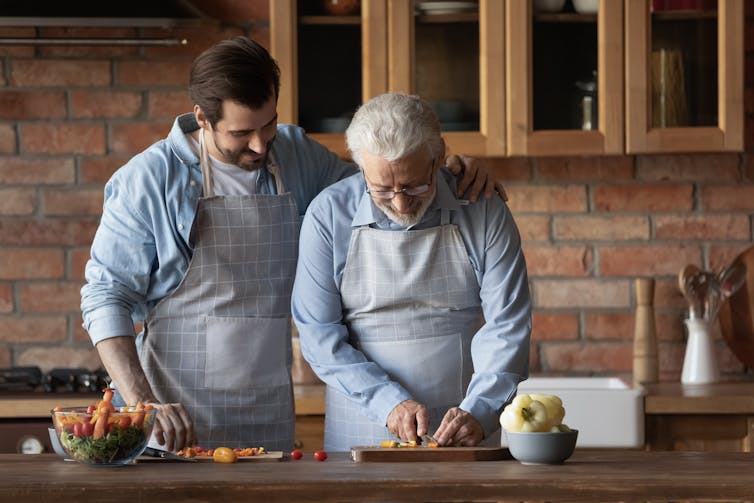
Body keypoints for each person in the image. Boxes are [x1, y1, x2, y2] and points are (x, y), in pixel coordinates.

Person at [80, 37, 503, 453]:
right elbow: (104, 297)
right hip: (171, 413)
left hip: (267, 409)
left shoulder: (296, 154)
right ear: (202, 119)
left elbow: (378, 190)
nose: (261, 145)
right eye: (242, 133)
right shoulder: (148, 181)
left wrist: (446, 167)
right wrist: (145, 402)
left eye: (268, 124)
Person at [292, 93, 531, 451]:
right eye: (382, 191)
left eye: (415, 185)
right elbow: (318, 333)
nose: (401, 203)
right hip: (361, 426)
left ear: (438, 158)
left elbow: (507, 324)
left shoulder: (482, 210)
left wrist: (480, 410)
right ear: (360, 168)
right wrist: (387, 402)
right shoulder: (328, 215)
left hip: (465, 429)